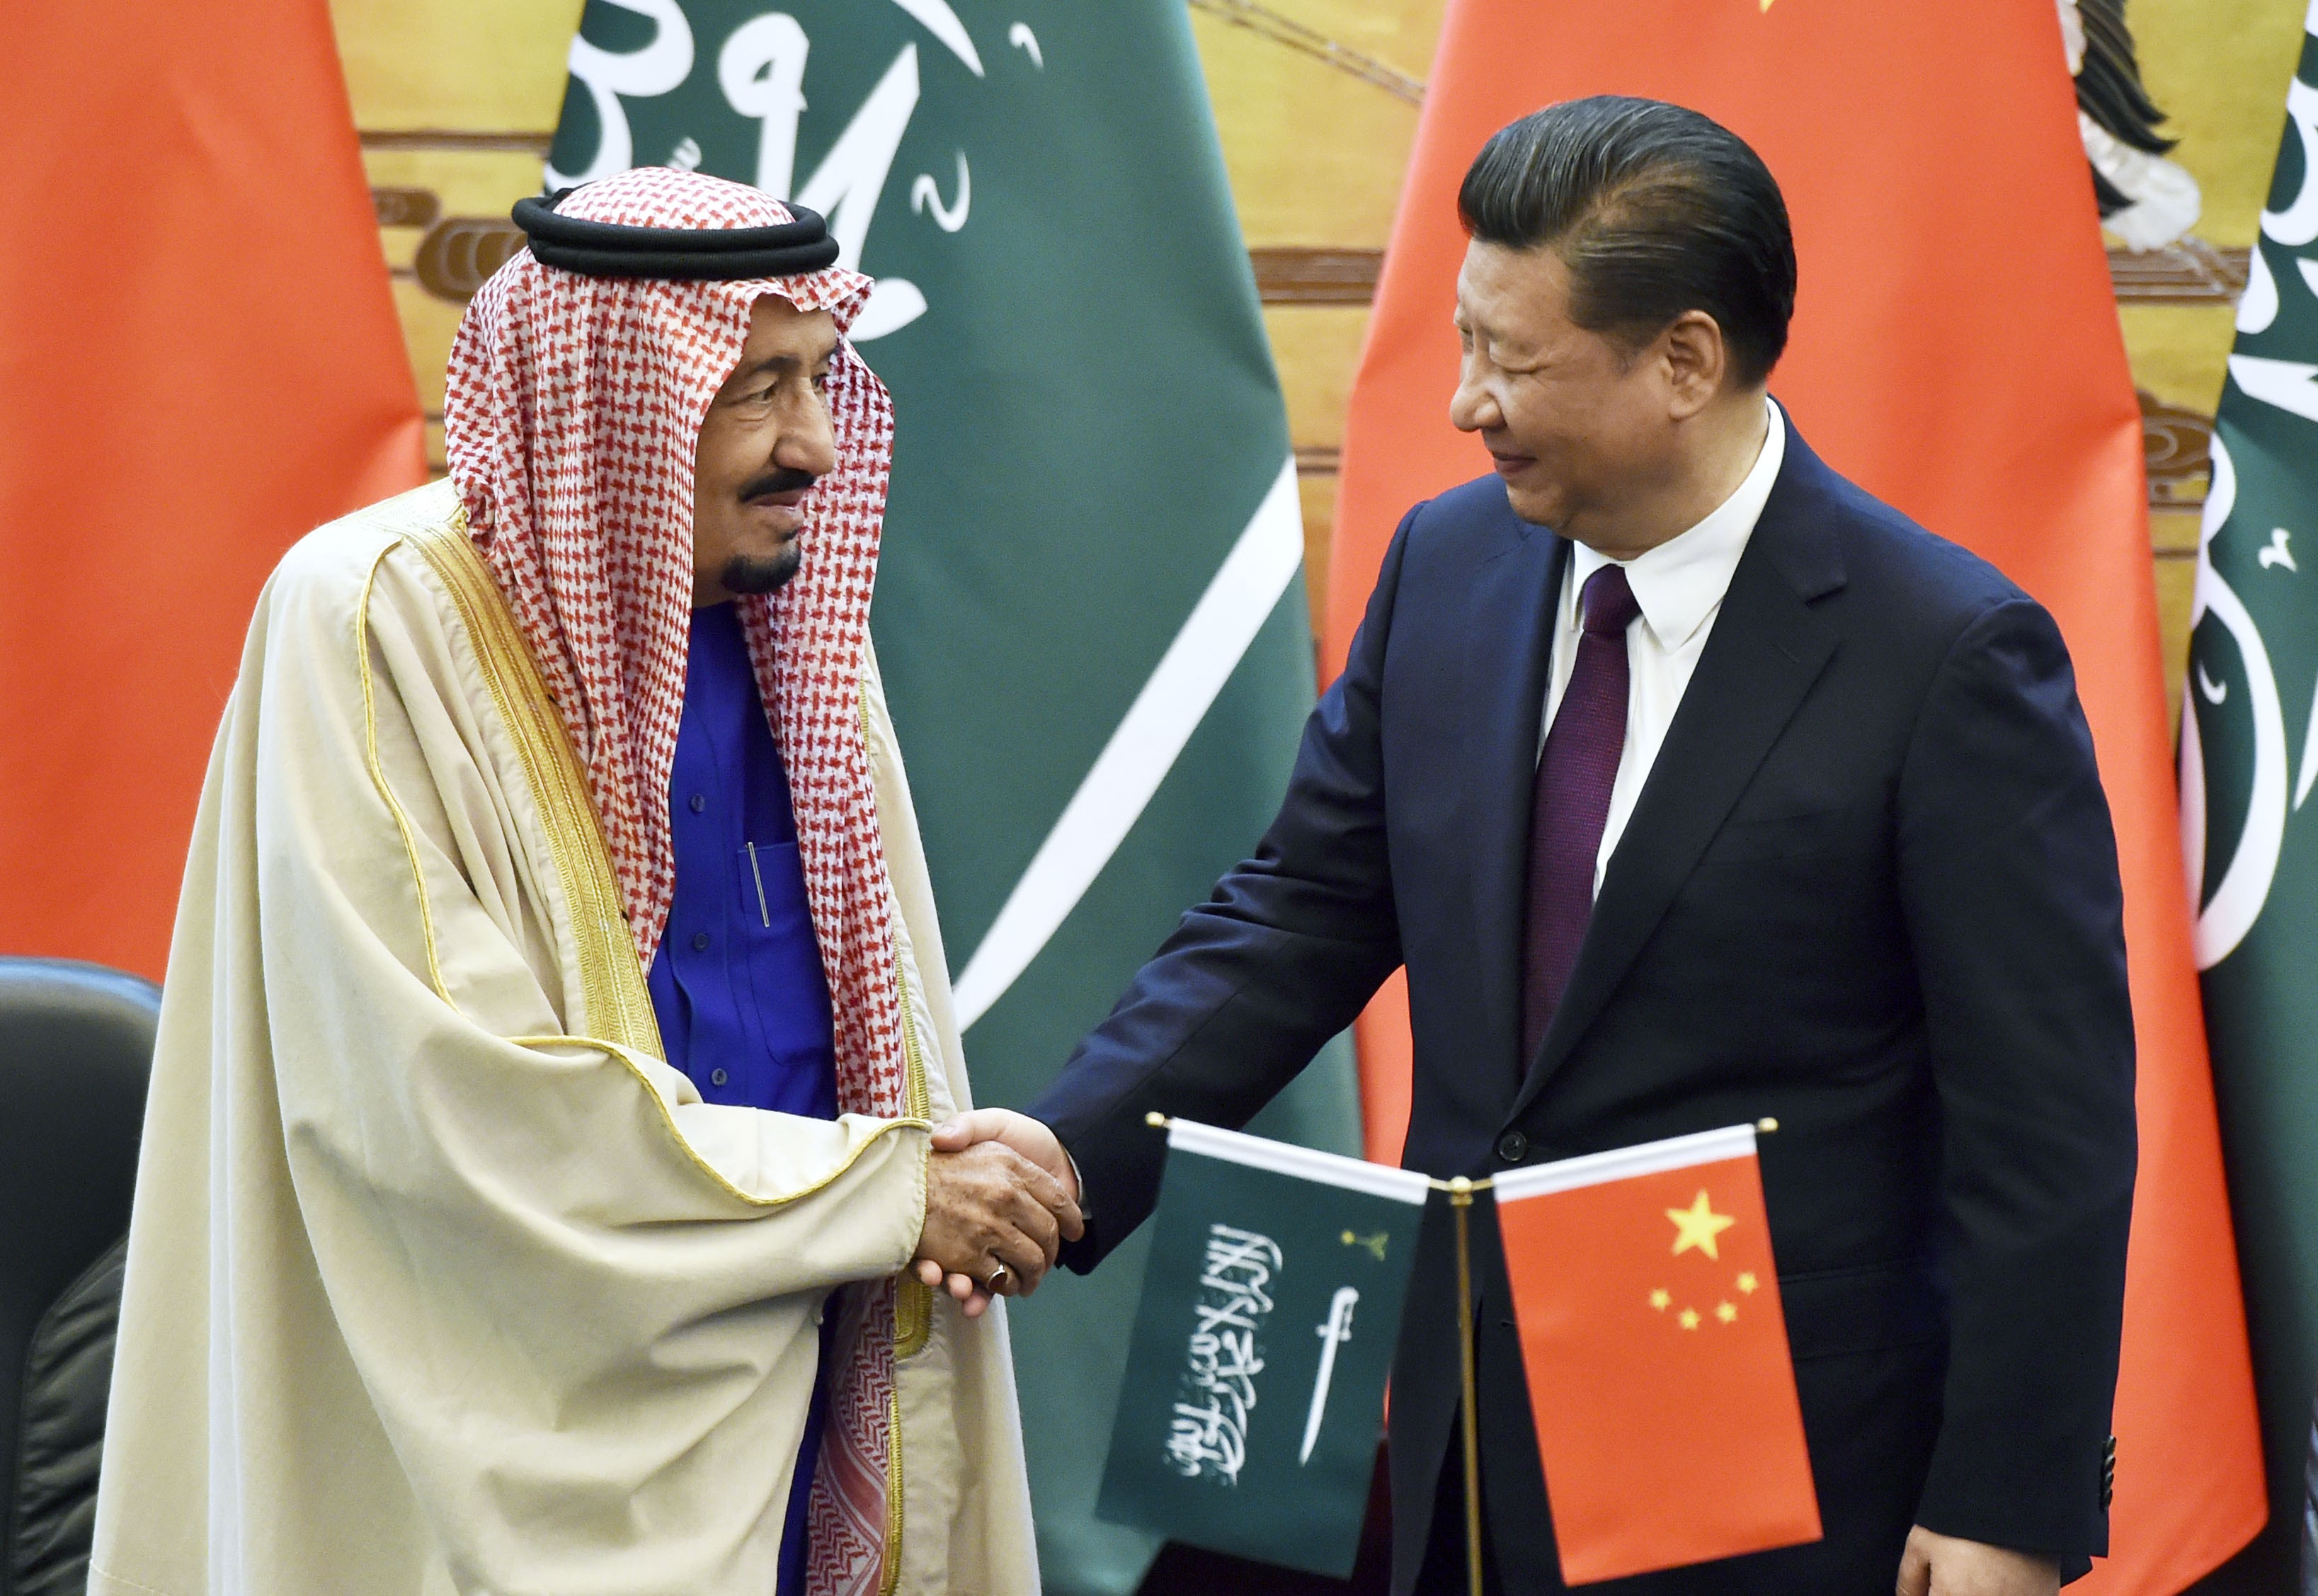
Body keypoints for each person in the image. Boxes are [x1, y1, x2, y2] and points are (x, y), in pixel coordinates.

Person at [940, 98, 2137, 1595]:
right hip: (1467, 1431)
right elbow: (1300, 908)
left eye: (1510, 361)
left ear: (1681, 361)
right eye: (1461, 342)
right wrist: (1067, 1144)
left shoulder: (1944, 655)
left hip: (1775, 1458)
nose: (1463, 401)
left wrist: (2005, 1504)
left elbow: (2048, 1125)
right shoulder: (1448, 566)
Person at [89, 168, 1074, 1596]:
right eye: (752, 390)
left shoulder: (799, 626)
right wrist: (884, 1192)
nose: (812, 443)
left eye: (819, 379)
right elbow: (452, 1110)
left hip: (801, 1376)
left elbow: (878, 1034)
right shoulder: (377, 620)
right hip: (520, 1425)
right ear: (614, 405)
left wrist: (946, 1172)